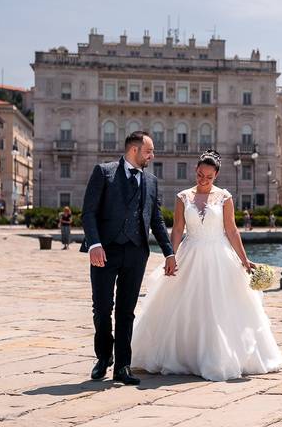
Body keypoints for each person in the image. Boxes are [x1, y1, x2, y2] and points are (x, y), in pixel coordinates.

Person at [131, 149, 282, 381]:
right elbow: (178, 229)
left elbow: (232, 230)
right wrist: (170, 256)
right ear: (196, 170)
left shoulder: (225, 197)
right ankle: (184, 355)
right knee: (183, 304)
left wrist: (244, 260)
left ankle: (220, 356)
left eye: (209, 177)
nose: (203, 180)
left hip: (219, 255)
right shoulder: (183, 196)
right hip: (190, 254)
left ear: (217, 175)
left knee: (220, 306)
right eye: (200, 175)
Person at [82, 131, 175, 386]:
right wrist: (95, 244)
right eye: (149, 151)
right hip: (104, 252)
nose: (152, 155)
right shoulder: (104, 172)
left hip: (136, 253)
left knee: (126, 311)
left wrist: (169, 252)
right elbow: (88, 212)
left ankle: (122, 365)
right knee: (102, 309)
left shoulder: (152, 181)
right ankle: (103, 357)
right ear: (134, 150)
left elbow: (156, 220)